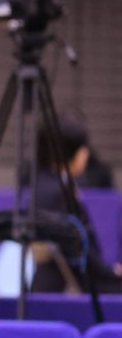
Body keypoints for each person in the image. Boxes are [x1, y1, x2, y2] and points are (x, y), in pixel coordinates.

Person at [30, 118, 122, 293]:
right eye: (83, 148)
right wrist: (111, 272)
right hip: (67, 285)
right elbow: (77, 248)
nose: (86, 154)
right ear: (70, 152)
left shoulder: (43, 184)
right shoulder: (58, 192)